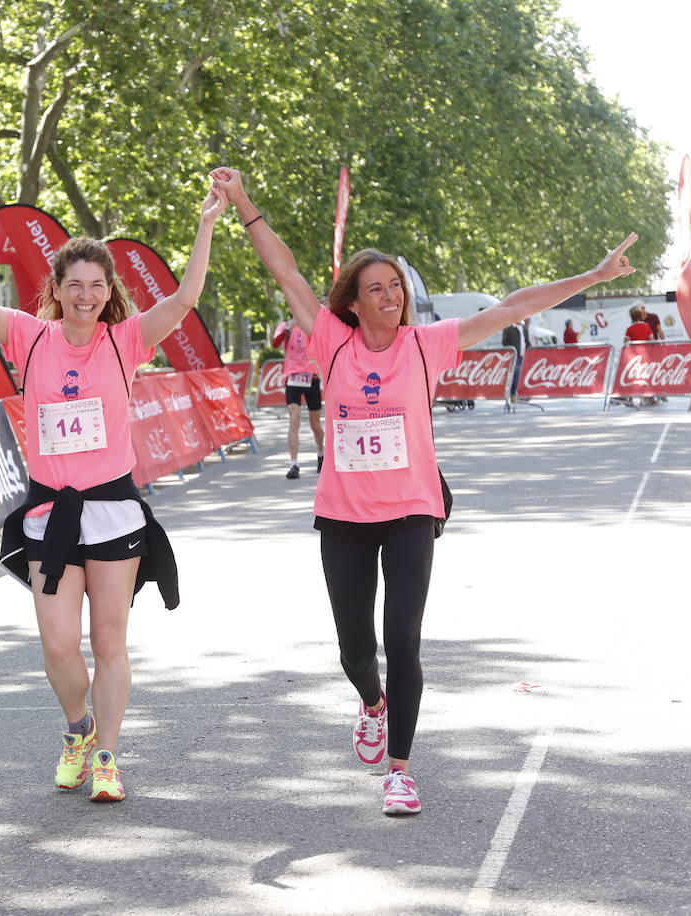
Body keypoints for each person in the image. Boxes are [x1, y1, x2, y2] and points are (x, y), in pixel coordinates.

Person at [211, 166, 636, 817]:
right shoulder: (330, 343)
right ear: (352, 301)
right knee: (356, 648)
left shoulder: (426, 344)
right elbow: (288, 272)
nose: (389, 296)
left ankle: (401, 770)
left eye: (395, 287)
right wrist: (241, 200)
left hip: (411, 511)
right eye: (375, 288)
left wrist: (594, 277)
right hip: (343, 517)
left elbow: (516, 304)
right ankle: (371, 704)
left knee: (401, 637)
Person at [0, 178, 224, 803]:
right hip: (49, 516)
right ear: (56, 290)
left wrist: (205, 224)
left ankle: (109, 758)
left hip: (113, 513)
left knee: (109, 642)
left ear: (108, 292)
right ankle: (78, 730)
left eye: (97, 285)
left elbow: (186, 295)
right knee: (59, 645)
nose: (86, 296)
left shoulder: (127, 341)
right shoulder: (29, 337)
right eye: (74, 285)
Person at [271, 317, 324, 478]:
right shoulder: (285, 326)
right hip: (293, 377)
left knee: (315, 422)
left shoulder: (312, 324)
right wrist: (288, 328)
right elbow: (274, 343)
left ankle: (321, 454)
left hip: (311, 376)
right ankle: (294, 464)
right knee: (294, 419)